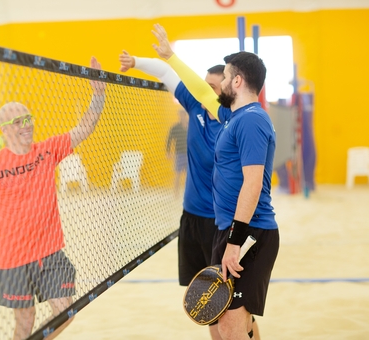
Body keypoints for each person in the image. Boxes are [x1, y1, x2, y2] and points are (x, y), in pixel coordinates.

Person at [119, 51, 261, 340]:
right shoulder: (194, 107)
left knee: (233, 308)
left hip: (223, 226)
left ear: (227, 88)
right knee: (205, 303)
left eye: (212, 85)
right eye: (203, 85)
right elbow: (165, 71)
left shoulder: (235, 123)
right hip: (192, 219)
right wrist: (135, 61)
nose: (205, 90)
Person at [151, 23, 279, 340]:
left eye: (223, 77)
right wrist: (171, 57)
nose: (218, 84)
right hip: (230, 230)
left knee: (233, 325)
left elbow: (252, 184)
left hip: (249, 233)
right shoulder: (233, 116)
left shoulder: (250, 120)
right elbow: (202, 91)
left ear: (237, 81)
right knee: (226, 323)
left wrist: (234, 242)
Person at [0, 56, 106, 340]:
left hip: (50, 253)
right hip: (13, 258)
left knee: (66, 311)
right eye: (19, 121)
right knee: (24, 323)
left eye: (28, 118)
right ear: (5, 129)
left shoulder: (47, 150)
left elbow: (85, 127)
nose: (27, 124)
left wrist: (98, 94)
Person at [166, 108, 188, 197]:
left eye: (183, 115)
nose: (182, 116)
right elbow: (169, 139)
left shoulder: (190, 126)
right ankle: (176, 193)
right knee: (178, 174)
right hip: (179, 154)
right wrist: (168, 152)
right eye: (180, 115)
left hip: (189, 154)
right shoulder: (175, 127)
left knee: (188, 175)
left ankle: (188, 193)